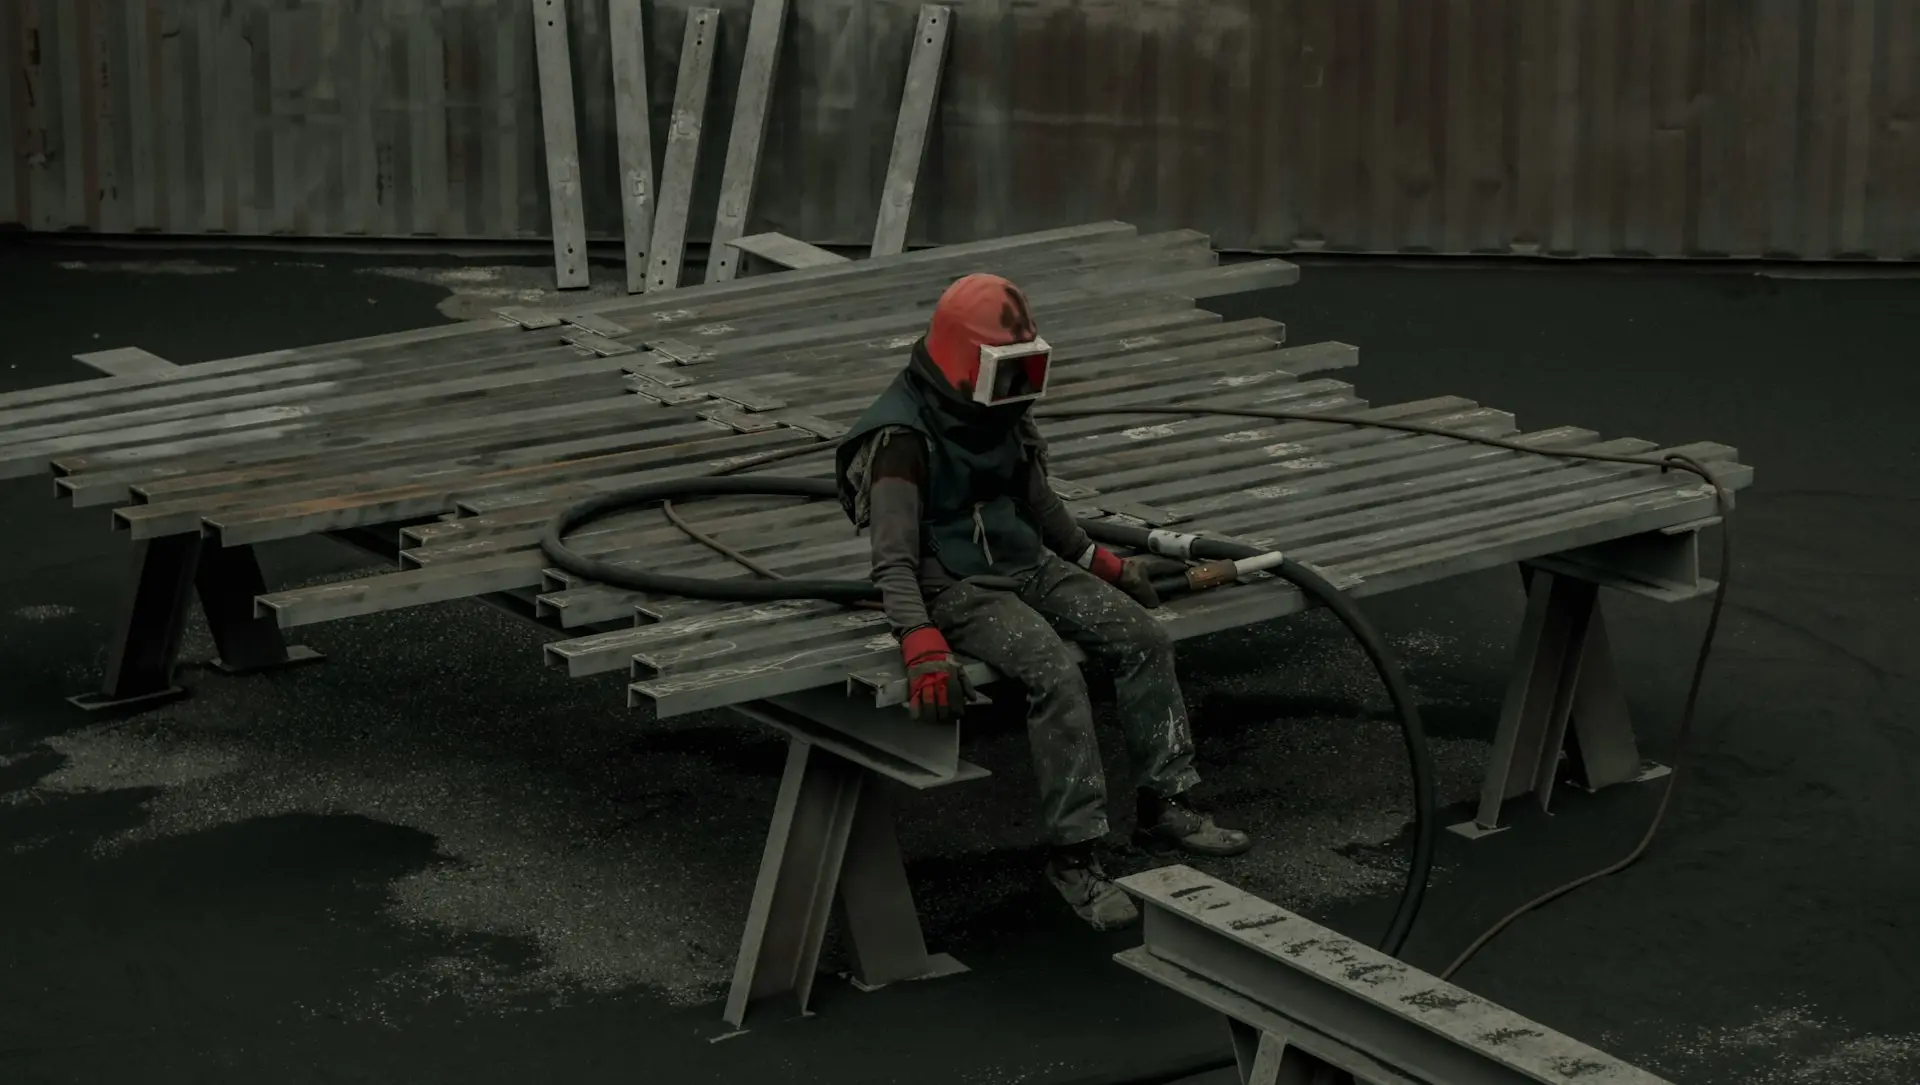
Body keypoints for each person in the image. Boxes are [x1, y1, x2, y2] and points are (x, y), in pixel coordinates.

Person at [834, 272, 1252, 931]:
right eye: (1007, 367)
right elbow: (893, 557)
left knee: (1143, 637)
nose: (1017, 386)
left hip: (1024, 559)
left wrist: (1103, 562)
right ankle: (1075, 855)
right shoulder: (901, 438)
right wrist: (919, 640)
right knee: (1055, 674)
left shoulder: (998, 408)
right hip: (956, 585)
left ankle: (1166, 801)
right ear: (965, 360)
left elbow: (1039, 504)